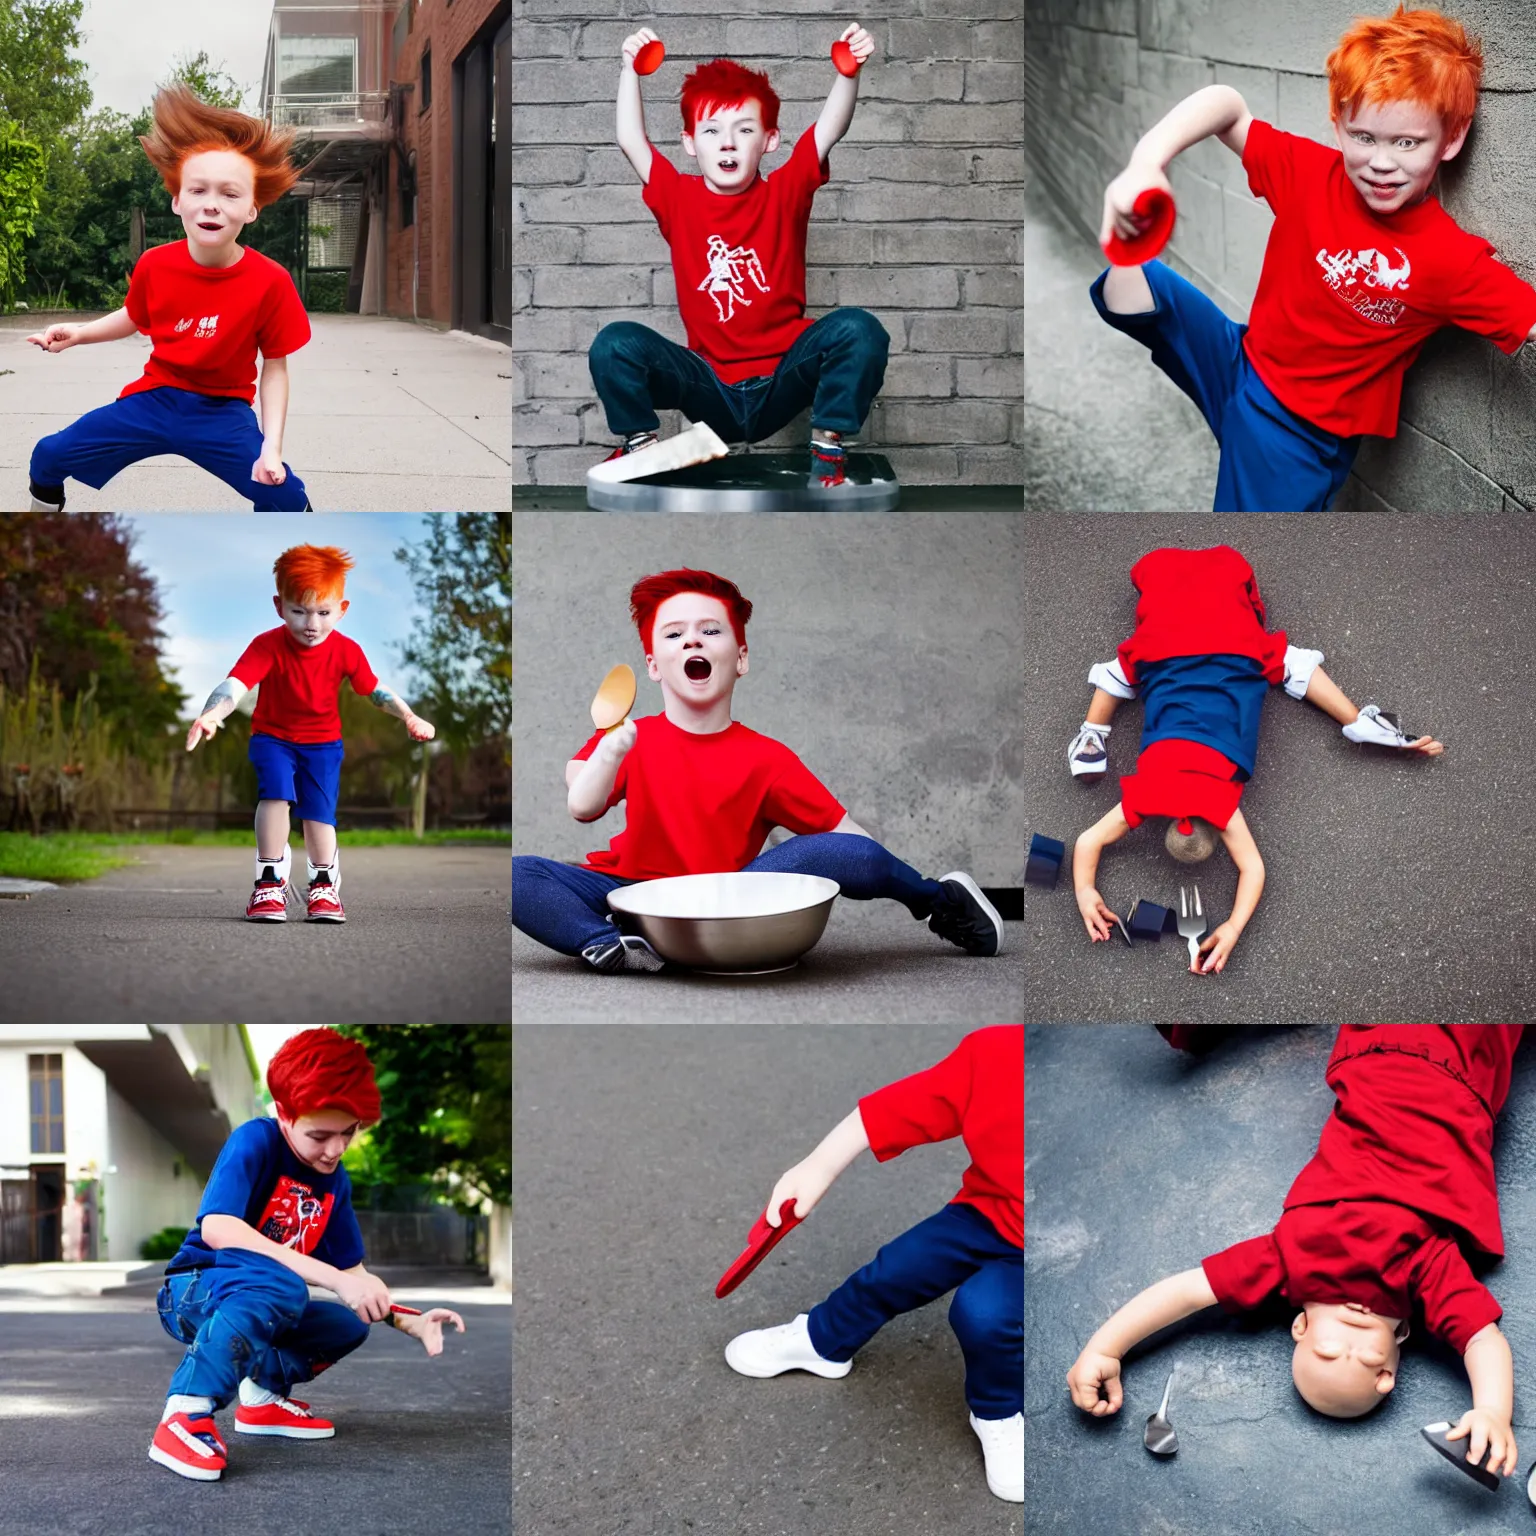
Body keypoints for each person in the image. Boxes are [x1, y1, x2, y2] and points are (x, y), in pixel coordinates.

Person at [1093, 6, 1536, 510]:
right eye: (1363, 136)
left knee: (1248, 551)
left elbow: (1528, 316)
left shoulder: (1448, 260)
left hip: (1299, 436)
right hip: (1241, 358)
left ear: (1451, 139)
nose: (1381, 162)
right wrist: (1146, 163)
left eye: (1407, 142)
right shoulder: (1311, 176)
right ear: (1339, 124)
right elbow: (1228, 106)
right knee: (1128, 286)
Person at [1067, 1025, 1523, 1482]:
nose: (1349, 1343)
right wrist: (1492, 1411)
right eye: (1364, 1359)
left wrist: (1107, 1347)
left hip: (1378, 1051)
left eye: (1328, 1352)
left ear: (1300, 1326)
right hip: (1468, 1065)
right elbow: (1482, 1340)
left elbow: (1187, 1291)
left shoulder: (1290, 1262)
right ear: (1395, 1351)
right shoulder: (1424, 1273)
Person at [511, 567, 1005, 970]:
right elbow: (582, 805)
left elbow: (847, 839)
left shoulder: (767, 757)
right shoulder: (625, 736)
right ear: (654, 665)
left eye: (710, 631)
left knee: (853, 853)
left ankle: (941, 900)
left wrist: (878, 870)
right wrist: (613, 750)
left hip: (731, 895)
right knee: (518, 875)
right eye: (674, 634)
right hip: (630, 893)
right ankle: (612, 943)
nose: (692, 642)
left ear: (740, 657)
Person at [1068, 544, 1443, 973]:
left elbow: (1253, 869)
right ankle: (1092, 734)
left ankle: (1360, 722)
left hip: (1232, 644)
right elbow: (1088, 842)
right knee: (1126, 669)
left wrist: (1232, 927)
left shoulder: (1222, 805)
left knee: (1286, 663)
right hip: (1170, 641)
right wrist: (1085, 891)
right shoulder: (1150, 795)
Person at [149, 1028, 466, 1483]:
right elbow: (219, 1228)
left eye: (348, 1133)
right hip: (196, 1288)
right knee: (282, 1283)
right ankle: (183, 1414)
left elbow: (352, 1273)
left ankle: (260, 1401)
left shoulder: (334, 1182)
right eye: (319, 1135)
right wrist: (333, 1281)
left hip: (262, 1294)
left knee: (348, 1322)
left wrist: (406, 1319)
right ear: (283, 1113)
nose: (335, 1150)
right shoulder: (256, 1141)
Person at [723, 1026, 1023, 1503]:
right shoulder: (998, 1051)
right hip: (986, 1210)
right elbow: (903, 1104)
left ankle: (998, 1412)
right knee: (896, 1267)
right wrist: (817, 1166)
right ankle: (821, 1340)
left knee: (985, 1314)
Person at [591, 32, 890, 489]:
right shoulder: (678, 197)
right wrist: (630, 69)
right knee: (615, 343)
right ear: (691, 143)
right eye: (712, 131)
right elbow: (630, 139)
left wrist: (848, 74)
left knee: (860, 330)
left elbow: (829, 129)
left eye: (744, 130)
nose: (727, 143)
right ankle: (643, 447)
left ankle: (828, 448)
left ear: (769, 140)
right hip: (709, 386)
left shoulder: (785, 193)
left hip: (782, 379)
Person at [25, 85, 312, 511]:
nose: (211, 205)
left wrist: (271, 448)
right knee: (48, 456)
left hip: (223, 413)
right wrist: (79, 334)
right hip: (154, 399)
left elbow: (275, 369)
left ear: (252, 208)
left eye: (230, 194)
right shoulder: (155, 264)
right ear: (178, 201)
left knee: (285, 496)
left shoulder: (271, 281)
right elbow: (135, 316)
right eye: (198, 191)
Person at [184, 544, 436, 923]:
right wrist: (210, 715)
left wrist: (409, 716)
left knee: (319, 814)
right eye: (298, 611)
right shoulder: (267, 645)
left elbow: (375, 691)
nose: (311, 624)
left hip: (322, 744)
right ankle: (269, 883)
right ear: (279, 605)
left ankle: (323, 885)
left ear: (342, 609)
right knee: (276, 797)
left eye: (323, 612)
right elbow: (236, 684)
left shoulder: (347, 650)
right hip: (273, 738)